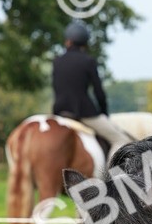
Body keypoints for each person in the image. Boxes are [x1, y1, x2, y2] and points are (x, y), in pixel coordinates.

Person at [52, 22, 133, 157]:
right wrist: (103, 113)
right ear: (84, 43)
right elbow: (99, 92)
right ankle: (110, 176)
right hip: (84, 112)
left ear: (68, 41)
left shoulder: (57, 61)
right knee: (121, 140)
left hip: (59, 111)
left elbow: (56, 87)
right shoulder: (88, 61)